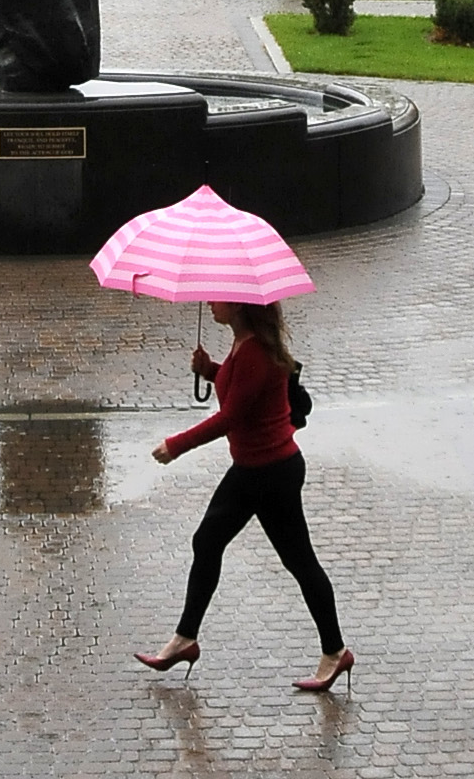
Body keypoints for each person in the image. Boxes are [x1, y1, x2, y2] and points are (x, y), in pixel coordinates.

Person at [136, 299, 352, 698]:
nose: (211, 301)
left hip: (270, 473)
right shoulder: (246, 344)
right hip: (258, 469)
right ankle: (185, 639)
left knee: (298, 562)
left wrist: (176, 445)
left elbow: (231, 416)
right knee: (211, 542)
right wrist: (212, 370)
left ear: (238, 304)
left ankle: (335, 651)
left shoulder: (253, 350)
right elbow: (244, 393)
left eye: (218, 296)